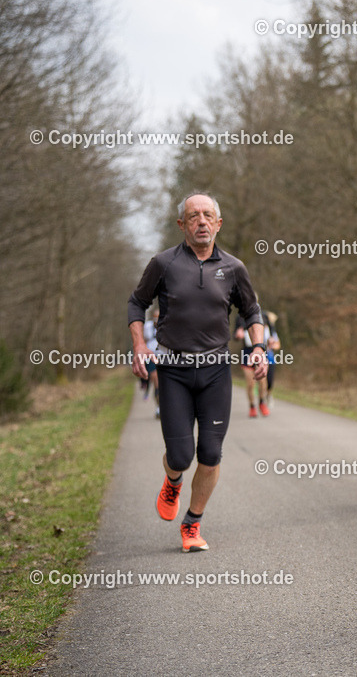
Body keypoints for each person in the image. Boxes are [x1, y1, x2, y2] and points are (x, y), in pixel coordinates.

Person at [128, 191, 267, 553]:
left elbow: (252, 311)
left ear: (219, 223)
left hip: (216, 370)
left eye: (208, 215)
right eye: (193, 216)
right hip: (173, 370)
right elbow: (137, 302)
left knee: (211, 453)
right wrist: (140, 346)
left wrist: (258, 348)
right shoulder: (163, 263)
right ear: (182, 224)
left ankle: (192, 523)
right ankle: (173, 480)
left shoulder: (234, 268)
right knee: (180, 457)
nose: (201, 221)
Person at [234, 307, 272, 417]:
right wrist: (237, 334)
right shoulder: (239, 318)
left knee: (262, 381)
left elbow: (271, 333)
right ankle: (252, 406)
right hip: (247, 352)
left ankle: (261, 402)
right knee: (250, 383)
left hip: (260, 351)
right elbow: (234, 335)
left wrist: (271, 340)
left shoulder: (264, 316)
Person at [142, 306, 160, 418]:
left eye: (158, 317)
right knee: (156, 381)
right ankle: (158, 407)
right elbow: (143, 341)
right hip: (151, 356)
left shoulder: (166, 325)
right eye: (155, 317)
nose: (156, 319)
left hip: (165, 357)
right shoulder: (147, 327)